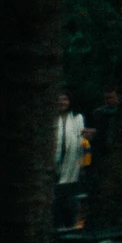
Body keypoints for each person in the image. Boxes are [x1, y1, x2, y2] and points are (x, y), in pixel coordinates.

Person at [54, 93, 86, 228]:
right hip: (54, 165)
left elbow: (81, 141)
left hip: (72, 165)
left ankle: (70, 227)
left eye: (65, 99)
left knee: (70, 199)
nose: (62, 102)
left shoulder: (77, 118)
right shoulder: (52, 118)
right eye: (59, 99)